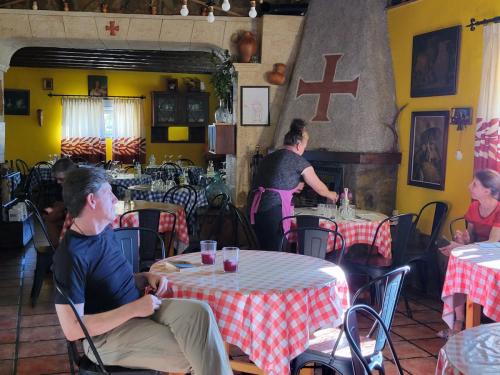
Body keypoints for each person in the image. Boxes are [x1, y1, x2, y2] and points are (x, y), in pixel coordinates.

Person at [53, 167, 232, 374]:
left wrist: (144, 278)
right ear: (92, 200)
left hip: (137, 310)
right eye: (108, 192)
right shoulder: (70, 256)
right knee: (200, 349)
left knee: (201, 312)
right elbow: (72, 328)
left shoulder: (104, 231)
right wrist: (135, 309)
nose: (114, 198)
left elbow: (110, 284)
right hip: (105, 338)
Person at [249, 119, 338, 251]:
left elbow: (271, 181)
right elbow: (318, 186)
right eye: (305, 144)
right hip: (272, 211)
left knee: (263, 252)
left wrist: (292, 187)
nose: (304, 148)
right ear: (298, 144)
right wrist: (332, 194)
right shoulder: (298, 160)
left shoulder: (270, 157)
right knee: (276, 254)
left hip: (255, 209)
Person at [438, 168, 500, 337]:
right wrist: (462, 240)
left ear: (487, 190)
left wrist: (460, 248)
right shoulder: (474, 207)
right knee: (456, 270)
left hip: (494, 261)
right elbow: (472, 239)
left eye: (475, 184)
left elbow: (493, 243)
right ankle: (458, 323)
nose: (469, 186)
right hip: (477, 255)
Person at [43, 158, 76, 246]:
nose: (58, 182)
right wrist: (52, 209)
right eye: (56, 179)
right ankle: (59, 249)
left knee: (50, 219)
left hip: (79, 216)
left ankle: (59, 250)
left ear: (71, 176)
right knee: (49, 216)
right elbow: (50, 201)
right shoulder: (58, 185)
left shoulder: (80, 185)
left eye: (61, 179)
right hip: (66, 212)